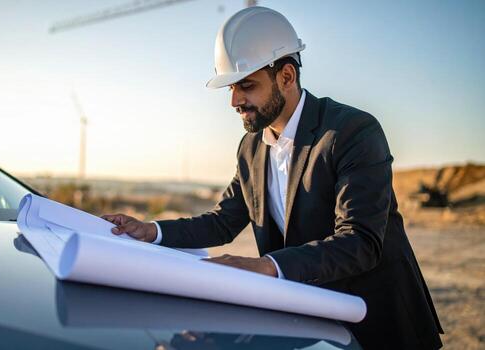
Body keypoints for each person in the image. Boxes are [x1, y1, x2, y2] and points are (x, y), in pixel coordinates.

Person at [102, 6, 442, 349]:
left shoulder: (352, 132)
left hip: (378, 326)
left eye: (246, 86)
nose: (234, 101)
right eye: (230, 89)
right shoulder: (250, 147)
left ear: (287, 76)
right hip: (307, 324)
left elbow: (360, 242)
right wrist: (152, 231)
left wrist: (265, 266)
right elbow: (223, 222)